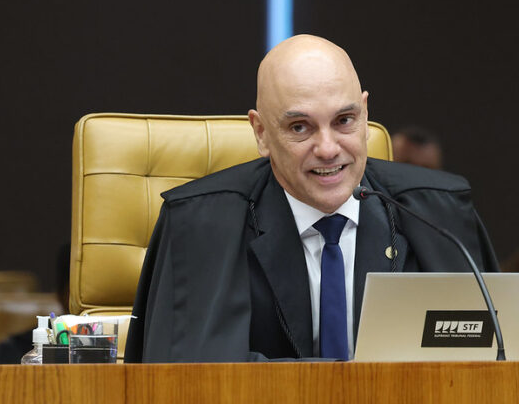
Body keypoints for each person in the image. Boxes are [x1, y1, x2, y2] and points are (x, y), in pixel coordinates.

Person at [125, 34, 498, 363]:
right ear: (261, 132)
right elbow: (194, 376)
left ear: (365, 114)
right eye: (300, 127)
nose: (328, 148)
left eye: (344, 120)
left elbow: (493, 359)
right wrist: (351, 382)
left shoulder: (438, 212)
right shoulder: (199, 226)